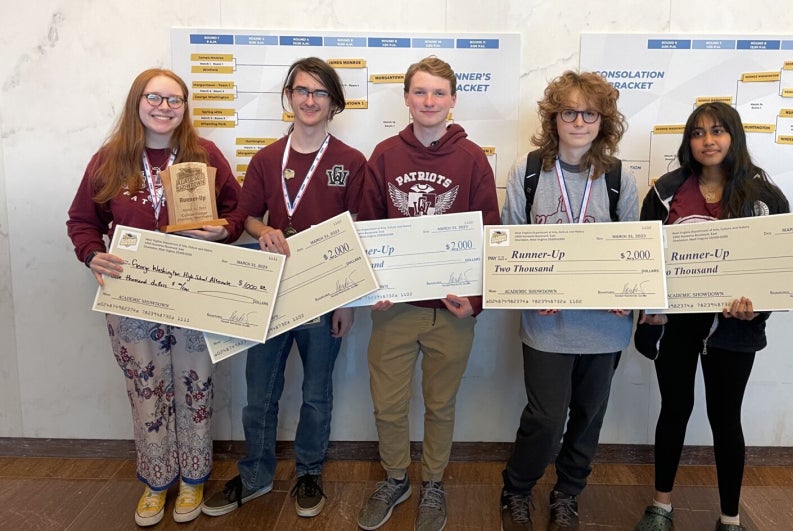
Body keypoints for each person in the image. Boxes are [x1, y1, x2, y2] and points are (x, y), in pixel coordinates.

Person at [66, 68, 244, 526]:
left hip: (194, 296)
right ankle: (156, 479)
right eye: (155, 98)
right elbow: (81, 220)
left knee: (194, 387)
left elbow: (238, 212)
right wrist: (92, 254)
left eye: (174, 100)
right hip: (131, 299)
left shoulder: (204, 156)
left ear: (185, 108)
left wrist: (224, 229)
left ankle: (193, 478)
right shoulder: (110, 160)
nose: (164, 108)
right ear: (137, 102)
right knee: (146, 389)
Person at [200, 58, 365, 519]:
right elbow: (247, 216)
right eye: (301, 91)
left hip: (325, 295)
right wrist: (262, 229)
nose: (309, 101)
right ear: (290, 97)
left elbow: (358, 236)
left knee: (316, 394)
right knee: (261, 394)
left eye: (320, 93)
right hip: (270, 294)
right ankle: (255, 474)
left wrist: (348, 303)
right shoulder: (268, 158)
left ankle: (309, 472)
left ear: (334, 103)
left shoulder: (351, 161)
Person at [355, 56, 501, 531]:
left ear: (453, 100)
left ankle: (433, 482)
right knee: (388, 403)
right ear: (406, 98)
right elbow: (369, 229)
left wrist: (476, 302)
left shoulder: (472, 157)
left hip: (450, 311)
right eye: (421, 92)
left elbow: (489, 234)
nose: (430, 101)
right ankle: (396, 477)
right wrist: (371, 287)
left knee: (440, 404)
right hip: (395, 308)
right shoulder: (383, 154)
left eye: (439, 93)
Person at [633, 102, 790, 531]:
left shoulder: (764, 197)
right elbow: (644, 257)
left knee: (726, 417)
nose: (708, 141)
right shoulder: (665, 191)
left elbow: (779, 266)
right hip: (677, 327)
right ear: (689, 142)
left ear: (733, 137)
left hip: (733, 330)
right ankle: (660, 506)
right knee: (675, 408)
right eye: (698, 133)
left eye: (717, 131)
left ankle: (730, 518)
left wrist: (758, 305)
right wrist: (650, 309)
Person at [498, 71, 639, 531]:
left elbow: (634, 249)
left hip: (606, 325)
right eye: (569, 112)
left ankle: (567, 494)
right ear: (553, 118)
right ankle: (517, 488)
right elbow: (511, 243)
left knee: (588, 414)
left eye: (590, 113)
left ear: (603, 121)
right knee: (545, 416)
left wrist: (630, 295)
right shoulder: (529, 169)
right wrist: (527, 290)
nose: (579, 122)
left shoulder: (619, 177)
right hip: (547, 323)